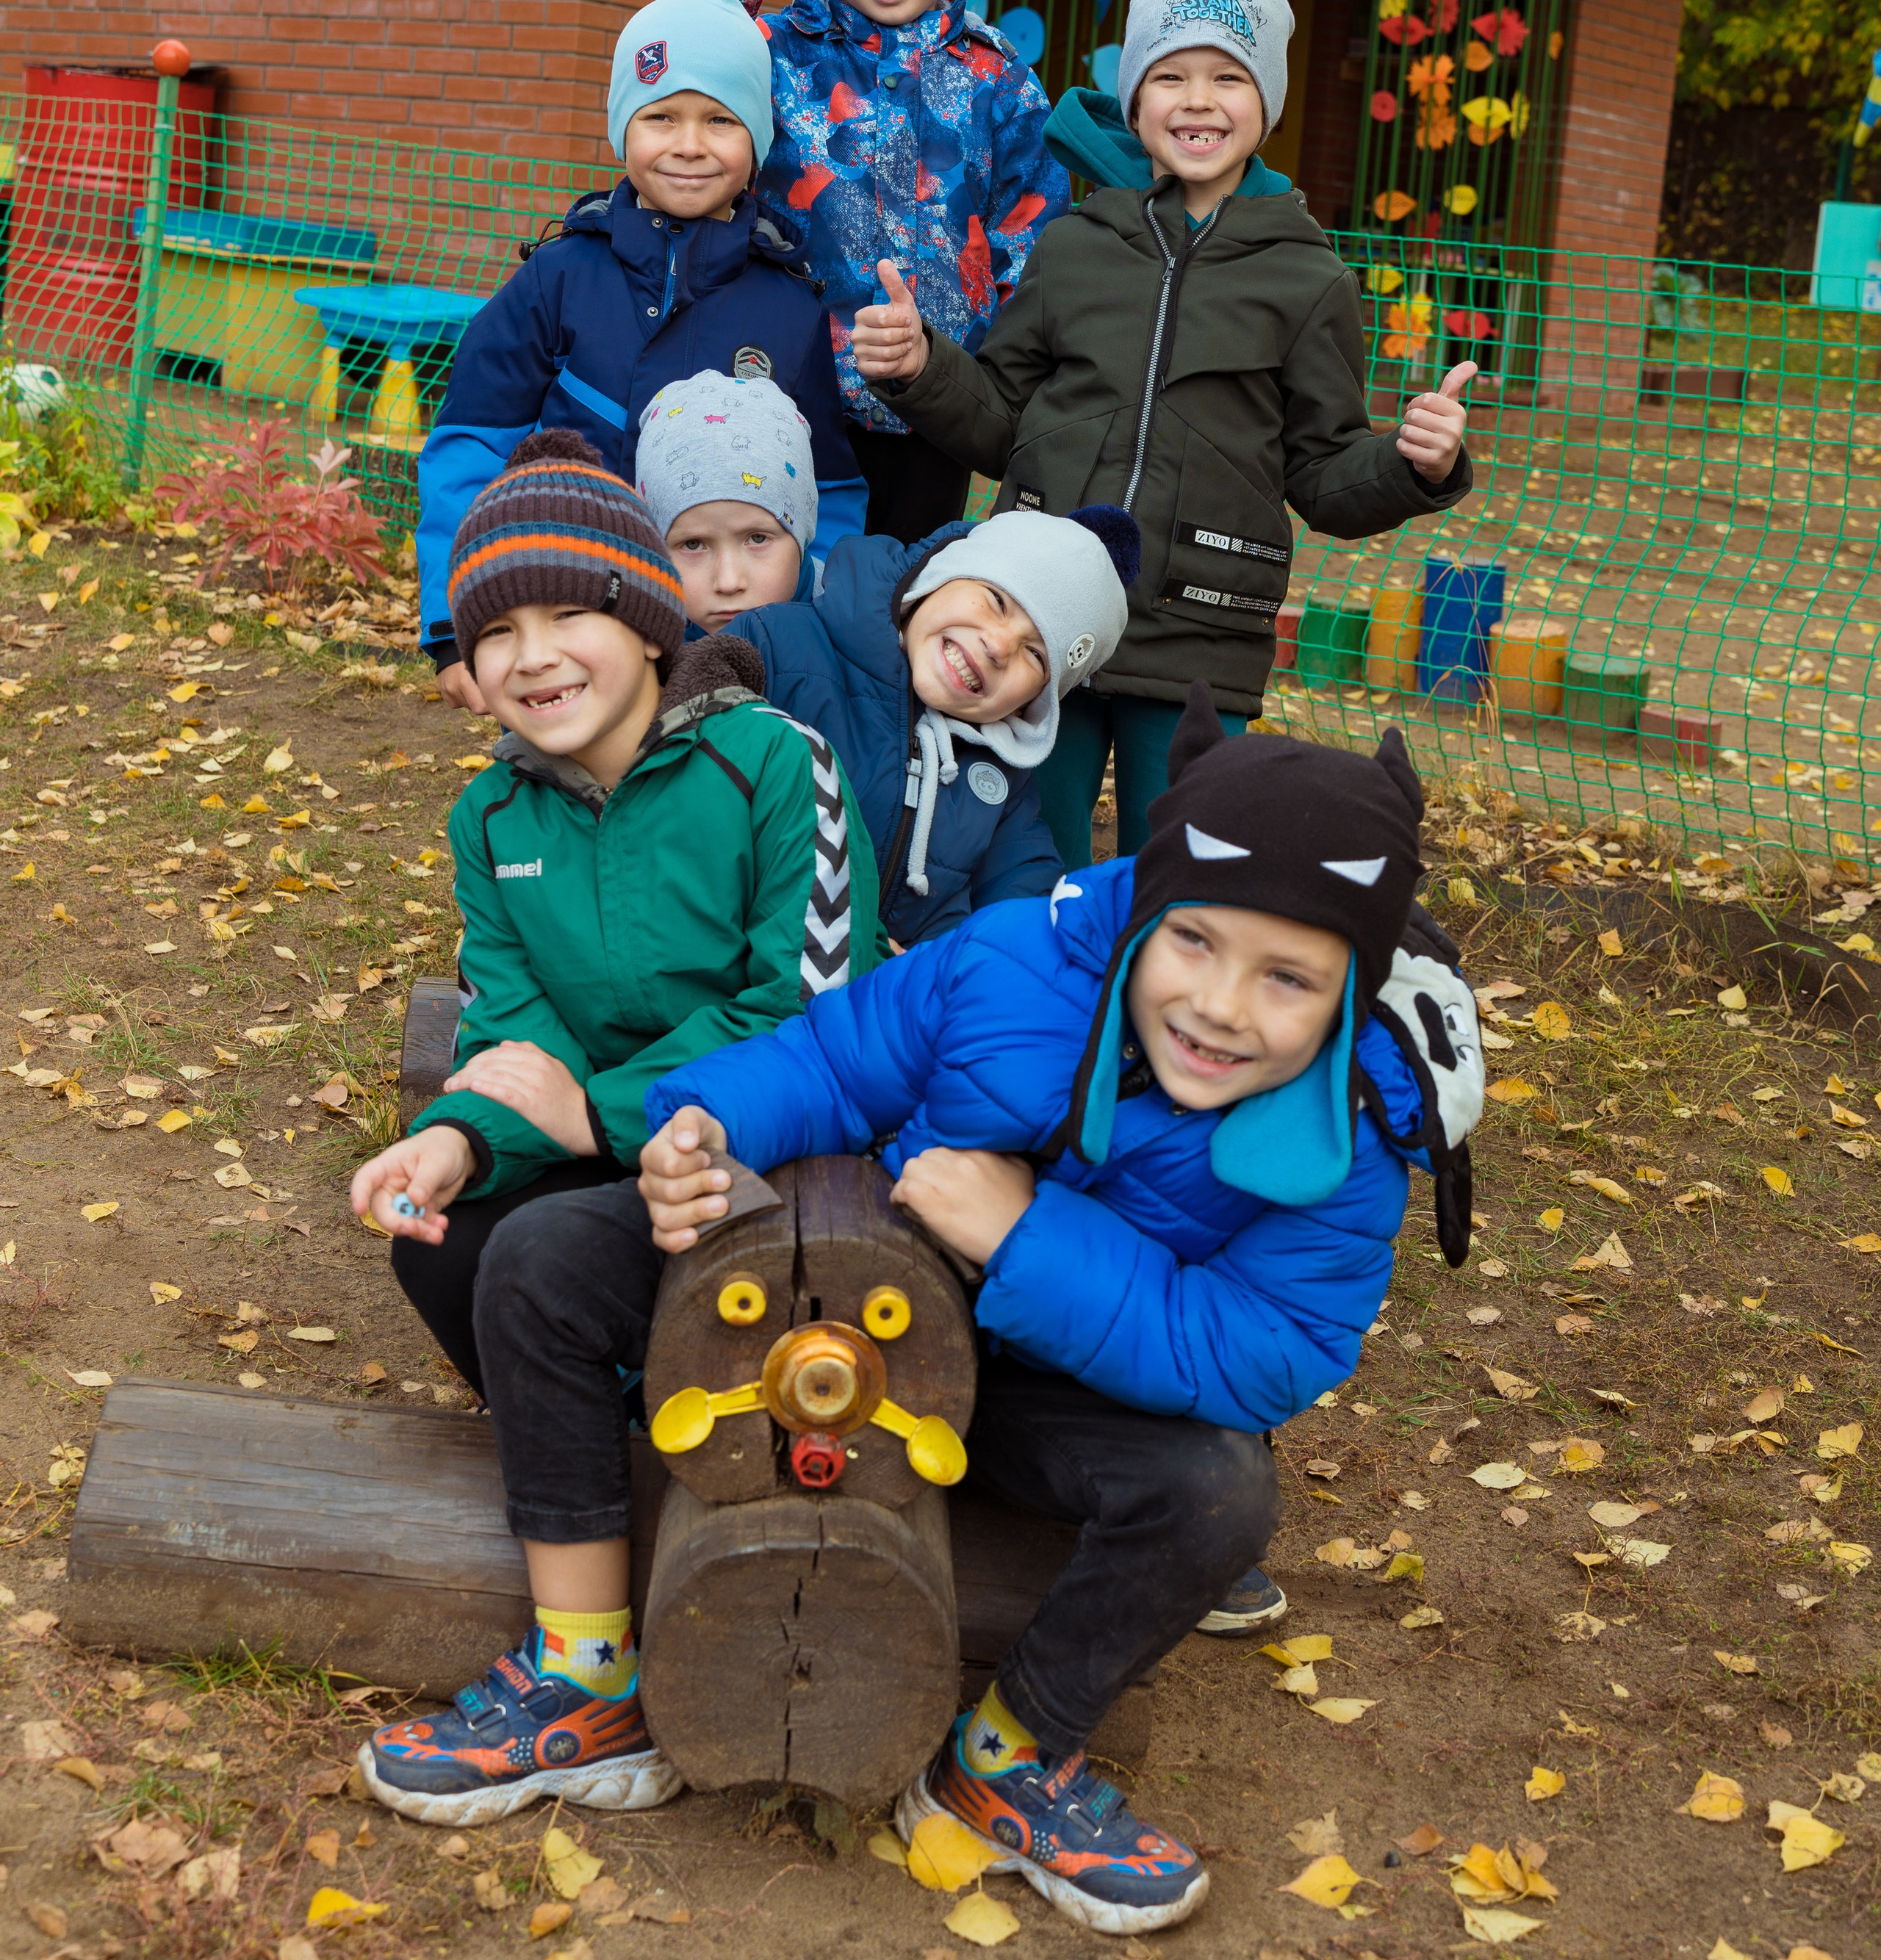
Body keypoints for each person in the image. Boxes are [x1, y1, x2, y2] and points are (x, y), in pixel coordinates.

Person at [479, 703, 1479, 1931]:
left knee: (1216, 1494)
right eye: (1195, 944)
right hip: (876, 1309)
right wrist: (709, 1122)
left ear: (1350, 992)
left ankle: (1000, 1768)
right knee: (542, 1258)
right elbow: (838, 1063)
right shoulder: (1015, 962)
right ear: (1144, 912)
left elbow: (1269, 1350)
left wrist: (1024, 1237)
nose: (1222, 1006)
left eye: (1289, 980)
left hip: (1050, 1392)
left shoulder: (1358, 1129)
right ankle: (587, 1681)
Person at [351, 429, 878, 1817]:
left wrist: (600, 1112)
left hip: (777, 1160)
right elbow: (511, 1027)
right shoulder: (491, 815)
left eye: (567, 612)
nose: (532, 657)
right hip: (616, 1158)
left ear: (649, 622)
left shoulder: (775, 766)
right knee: (445, 1242)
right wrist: (457, 1138)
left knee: (540, 1266)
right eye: (496, 631)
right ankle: (638, 1465)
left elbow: (811, 1008)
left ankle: (591, 1688)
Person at [851, 0, 1476, 865]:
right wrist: (919, 366)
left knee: (1183, 864)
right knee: (1024, 859)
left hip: (1203, 633)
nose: (1196, 101)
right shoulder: (1074, 246)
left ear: (1265, 103)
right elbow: (1001, 421)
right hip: (1039, 624)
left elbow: (1321, 473)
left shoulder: (1308, 279)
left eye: (1227, 77)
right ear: (1135, 99)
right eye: (1170, 75)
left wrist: (1415, 464)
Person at [416, 0, 864, 710]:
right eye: (660, 117)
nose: (689, 145)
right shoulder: (556, 279)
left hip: (734, 658)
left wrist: (817, 630)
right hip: (572, 633)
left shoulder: (789, 307)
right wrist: (454, 620)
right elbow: (469, 447)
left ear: (758, 141)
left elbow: (831, 494)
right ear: (623, 129)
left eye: (721, 119)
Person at [684, 0, 1069, 541]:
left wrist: (1003, 386)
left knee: (899, 599)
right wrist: (720, 0)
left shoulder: (998, 77)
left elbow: (1034, 236)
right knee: (779, 583)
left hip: (938, 401)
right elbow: (684, 97)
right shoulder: (777, 49)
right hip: (783, 389)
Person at [737, 502, 1140, 948]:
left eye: (1036, 655)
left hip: (886, 1005)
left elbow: (1022, 915)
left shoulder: (1003, 787)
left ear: (1036, 701)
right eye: (997, 600)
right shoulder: (774, 649)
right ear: (940, 573)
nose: (1000, 645)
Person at [633, 369, 821, 635]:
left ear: (802, 535)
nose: (729, 582)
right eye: (693, 544)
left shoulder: (857, 629)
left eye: (757, 539)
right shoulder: (638, 648)